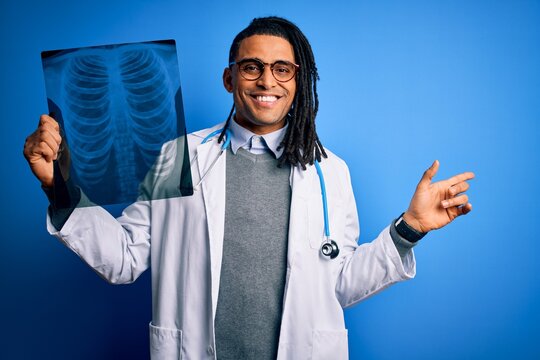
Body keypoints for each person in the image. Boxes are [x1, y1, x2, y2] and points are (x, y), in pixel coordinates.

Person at [23, 16, 474, 360]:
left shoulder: (330, 171)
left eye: (282, 69)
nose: (267, 81)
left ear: (298, 83)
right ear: (229, 78)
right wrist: (58, 189)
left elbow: (342, 284)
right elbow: (124, 258)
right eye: (252, 67)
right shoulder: (178, 155)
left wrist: (410, 228)